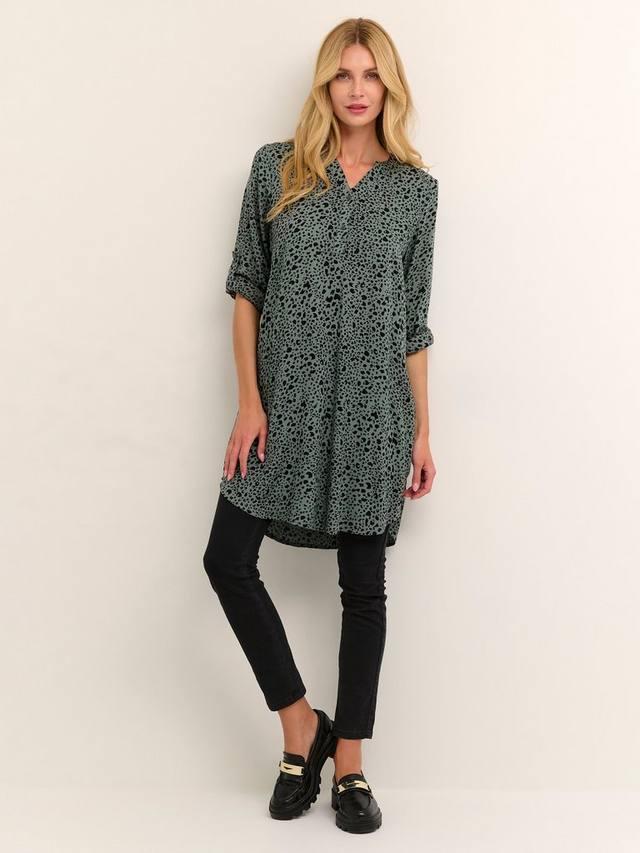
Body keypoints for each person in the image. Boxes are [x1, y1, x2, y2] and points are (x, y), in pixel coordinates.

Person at [202, 16, 439, 834]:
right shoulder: (277, 169)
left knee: (363, 588)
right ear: (325, 84)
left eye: (371, 75)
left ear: (389, 86)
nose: (357, 89)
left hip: (375, 413)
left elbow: (413, 322)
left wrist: (423, 429)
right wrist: (250, 400)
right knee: (226, 558)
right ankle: (301, 724)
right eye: (343, 74)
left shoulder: (416, 192)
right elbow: (246, 288)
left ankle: (352, 766)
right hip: (283, 410)